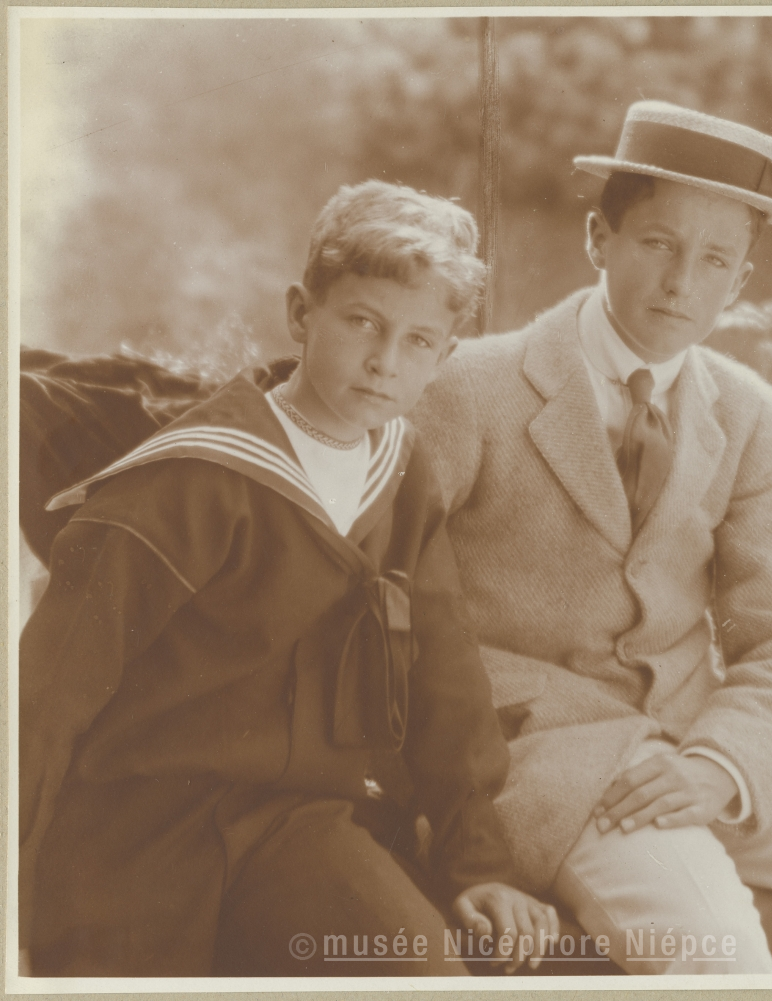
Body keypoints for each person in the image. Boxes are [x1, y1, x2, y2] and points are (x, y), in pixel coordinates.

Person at [409, 101, 772, 974]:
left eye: (715, 259)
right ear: (597, 238)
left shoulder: (746, 409)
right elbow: (392, 601)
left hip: (715, 738)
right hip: (551, 758)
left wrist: (725, 763)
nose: (681, 282)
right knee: (719, 961)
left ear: (742, 282)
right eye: (658, 243)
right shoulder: (468, 388)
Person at [19, 180, 558, 977]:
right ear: (302, 313)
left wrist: (480, 865)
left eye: (417, 341)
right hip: (137, 826)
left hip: (296, 823)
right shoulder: (191, 478)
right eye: (362, 322)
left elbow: (445, 678)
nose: (384, 362)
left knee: (423, 975)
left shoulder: (399, 471)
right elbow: (47, 695)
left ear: (444, 357)